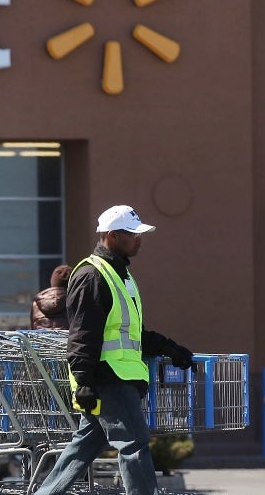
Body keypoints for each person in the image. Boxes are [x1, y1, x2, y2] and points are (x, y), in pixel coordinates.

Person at [33, 205, 196, 495]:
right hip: (108, 378)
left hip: (119, 376)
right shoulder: (92, 276)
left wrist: (170, 348)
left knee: (84, 446)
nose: (139, 240)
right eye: (133, 234)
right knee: (134, 444)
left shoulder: (121, 276)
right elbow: (82, 334)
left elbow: (130, 333)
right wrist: (84, 381)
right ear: (112, 235)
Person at [31, 264, 72, 330]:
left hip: (40, 339)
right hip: (66, 339)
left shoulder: (37, 301)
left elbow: (33, 327)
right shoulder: (75, 300)